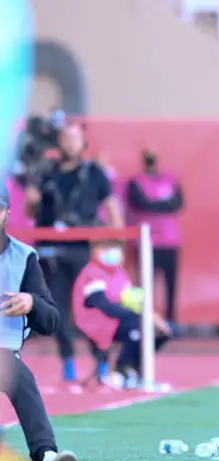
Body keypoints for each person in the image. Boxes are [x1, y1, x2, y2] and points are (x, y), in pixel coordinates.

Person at [25, 122, 123, 386]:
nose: (69, 143)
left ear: (83, 143)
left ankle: (101, 358)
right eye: (66, 138)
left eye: (75, 138)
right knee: (57, 309)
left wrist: (116, 240)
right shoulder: (45, 173)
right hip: (51, 252)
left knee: (91, 307)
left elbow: (111, 206)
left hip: (83, 249)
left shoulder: (94, 173)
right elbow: (31, 211)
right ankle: (67, 360)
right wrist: (31, 200)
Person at [0, 181, 78, 461]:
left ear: (7, 212)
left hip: (4, 357)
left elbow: (51, 320)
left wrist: (31, 302)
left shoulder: (24, 258)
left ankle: (47, 457)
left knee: (18, 375)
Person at [72, 238, 175, 389]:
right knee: (137, 327)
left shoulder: (120, 273)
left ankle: (135, 369)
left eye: (115, 249)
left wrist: (153, 317)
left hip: (119, 319)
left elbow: (131, 300)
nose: (112, 254)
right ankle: (122, 369)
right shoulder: (92, 273)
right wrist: (140, 316)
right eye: (105, 249)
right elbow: (102, 304)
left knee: (161, 332)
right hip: (98, 322)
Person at [126, 149, 184, 323]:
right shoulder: (136, 182)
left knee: (171, 283)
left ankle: (171, 320)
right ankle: (142, 319)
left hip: (170, 240)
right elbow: (140, 203)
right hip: (146, 241)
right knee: (144, 283)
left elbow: (177, 203)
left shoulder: (171, 180)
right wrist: (162, 203)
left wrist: (154, 203)